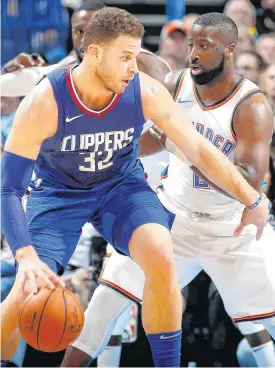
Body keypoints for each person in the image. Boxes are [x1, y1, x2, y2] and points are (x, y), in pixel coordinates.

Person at [1, 8, 270, 368]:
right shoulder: (45, 101)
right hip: (60, 194)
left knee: (161, 254)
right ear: (94, 53)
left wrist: (251, 197)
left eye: (137, 55)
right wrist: (24, 255)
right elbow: (8, 190)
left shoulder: (144, 90)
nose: (134, 66)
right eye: (126, 57)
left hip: (121, 187)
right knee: (26, 291)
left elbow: (199, 150)